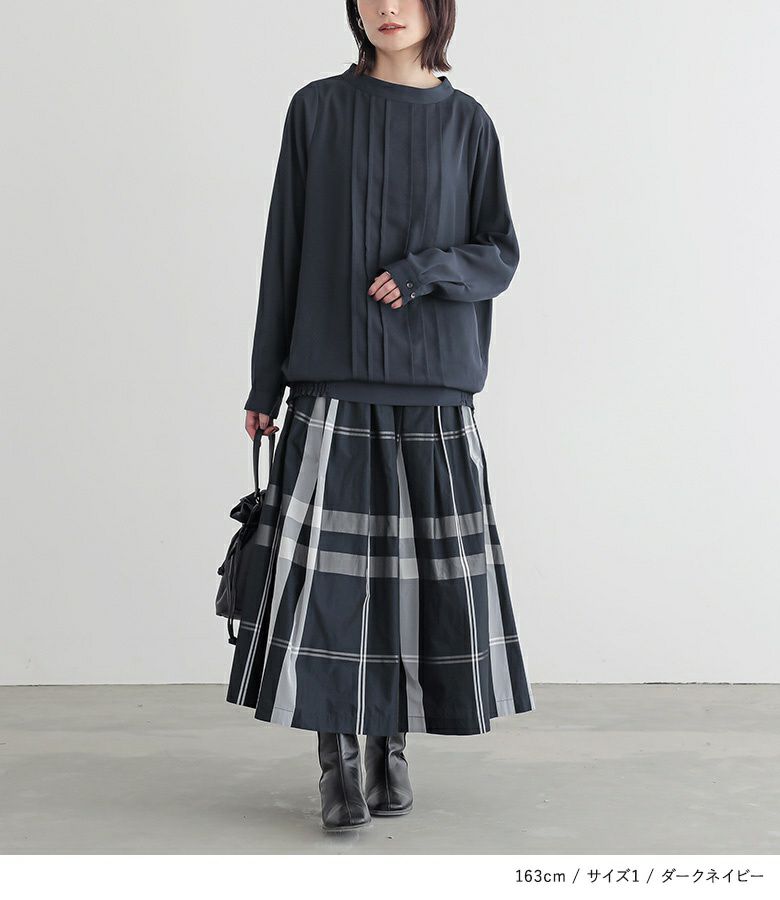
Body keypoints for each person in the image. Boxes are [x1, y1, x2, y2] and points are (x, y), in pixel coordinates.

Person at [225, 0, 535, 832]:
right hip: (329, 383)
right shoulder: (317, 110)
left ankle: (388, 746)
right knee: (325, 595)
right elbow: (284, 251)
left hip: (433, 391)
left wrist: (427, 270)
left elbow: (499, 254)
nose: (388, 7)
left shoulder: (468, 123)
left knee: (412, 594)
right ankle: (334, 762)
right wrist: (263, 387)